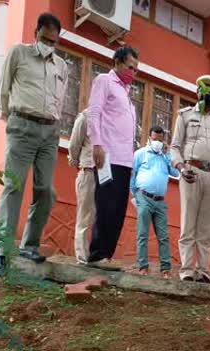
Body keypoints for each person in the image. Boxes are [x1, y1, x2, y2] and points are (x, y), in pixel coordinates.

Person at [0, 13, 68, 276]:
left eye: (54, 41)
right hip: (22, 125)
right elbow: (3, 88)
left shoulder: (61, 66)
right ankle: (2, 251)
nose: (49, 44)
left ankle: (30, 245)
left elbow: (60, 99)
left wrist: (54, 125)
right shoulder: (19, 53)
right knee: (13, 186)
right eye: (46, 39)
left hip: (50, 132)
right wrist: (10, 116)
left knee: (45, 190)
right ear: (36, 32)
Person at [170, 74, 210, 283]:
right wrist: (180, 166)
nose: (209, 96)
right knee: (188, 222)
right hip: (190, 173)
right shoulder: (185, 116)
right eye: (206, 92)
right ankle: (187, 270)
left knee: (206, 225)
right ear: (198, 93)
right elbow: (175, 146)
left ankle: (203, 270)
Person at [87, 46, 140, 270]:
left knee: (119, 208)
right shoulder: (104, 81)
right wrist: (97, 144)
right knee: (106, 203)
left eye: (136, 70)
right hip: (107, 156)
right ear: (117, 62)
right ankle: (97, 254)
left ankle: (107, 256)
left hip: (124, 160)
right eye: (130, 67)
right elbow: (93, 112)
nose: (133, 73)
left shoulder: (126, 94)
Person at [131, 126, 177, 278]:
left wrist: (169, 154)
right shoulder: (140, 154)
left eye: (160, 139)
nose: (157, 142)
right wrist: (134, 195)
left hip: (160, 201)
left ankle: (165, 269)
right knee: (142, 233)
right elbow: (133, 174)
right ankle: (143, 267)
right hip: (143, 197)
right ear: (149, 138)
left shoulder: (165, 157)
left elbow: (176, 173)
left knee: (163, 236)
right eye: (154, 139)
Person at [68, 109, 95, 265]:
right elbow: (74, 144)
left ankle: (98, 256)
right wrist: (75, 162)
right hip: (89, 171)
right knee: (85, 216)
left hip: (107, 175)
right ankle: (83, 257)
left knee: (102, 217)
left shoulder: (113, 117)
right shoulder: (85, 117)